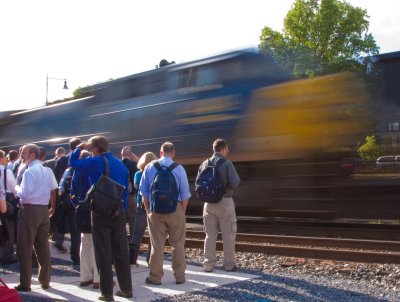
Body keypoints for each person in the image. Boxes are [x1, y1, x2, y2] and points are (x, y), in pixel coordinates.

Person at [69, 135, 132, 301]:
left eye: (91, 148)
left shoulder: (96, 161)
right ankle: (126, 289)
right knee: (121, 252)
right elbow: (125, 190)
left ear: (96, 148)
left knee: (103, 252)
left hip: (100, 213)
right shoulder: (120, 164)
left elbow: (73, 163)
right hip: (118, 212)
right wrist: (123, 210)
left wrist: (78, 148)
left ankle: (106, 293)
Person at [139, 142, 191, 285]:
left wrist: (148, 209)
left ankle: (155, 277)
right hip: (176, 208)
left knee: (157, 244)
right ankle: (180, 276)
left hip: (155, 211)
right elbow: (185, 194)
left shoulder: (150, 167)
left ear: (161, 152)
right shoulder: (179, 168)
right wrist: (181, 211)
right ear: (173, 153)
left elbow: (144, 192)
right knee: (178, 244)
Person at [14, 144, 58, 292]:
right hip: (43, 210)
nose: (22, 155)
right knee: (43, 246)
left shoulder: (29, 172)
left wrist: (16, 188)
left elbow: (25, 194)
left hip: (30, 210)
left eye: (24, 153)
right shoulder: (47, 170)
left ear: (32, 155)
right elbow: (54, 190)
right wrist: (53, 207)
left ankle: (25, 283)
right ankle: (45, 281)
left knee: (25, 247)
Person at [197, 139, 240, 272]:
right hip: (224, 202)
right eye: (227, 149)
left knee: (210, 235)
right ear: (222, 149)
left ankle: (208, 265)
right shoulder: (226, 163)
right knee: (228, 235)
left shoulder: (204, 163)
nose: (228, 151)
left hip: (208, 204)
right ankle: (229, 265)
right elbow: (235, 182)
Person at [130, 151, 157, 265]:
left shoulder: (138, 174)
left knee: (137, 233)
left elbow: (137, 187)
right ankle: (150, 260)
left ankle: (132, 259)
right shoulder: (156, 173)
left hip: (141, 205)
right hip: (154, 206)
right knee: (154, 233)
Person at [0, 150, 18, 265]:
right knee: (8, 228)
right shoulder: (6, 171)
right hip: (6, 201)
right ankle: (7, 255)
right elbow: (14, 187)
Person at [121, 146, 139, 241]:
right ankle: (132, 241)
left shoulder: (118, 164)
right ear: (130, 155)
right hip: (131, 197)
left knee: (121, 220)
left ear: (121, 154)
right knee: (132, 220)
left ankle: (122, 241)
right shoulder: (134, 164)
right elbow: (142, 165)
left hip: (119, 196)